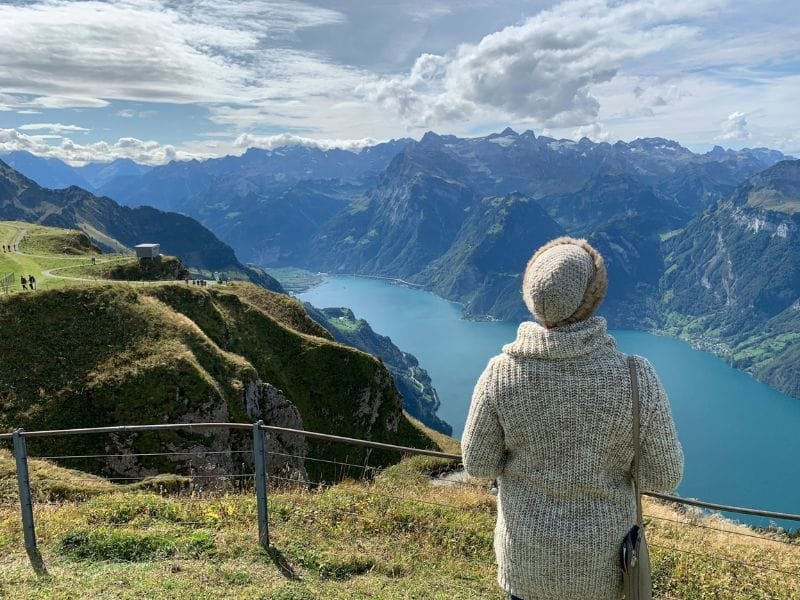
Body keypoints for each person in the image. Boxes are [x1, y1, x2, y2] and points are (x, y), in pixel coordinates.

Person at [462, 236, 684, 600]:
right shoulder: (635, 376)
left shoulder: (500, 374)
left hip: (526, 563)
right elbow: (663, 477)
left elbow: (479, 465)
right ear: (594, 297)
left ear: (529, 295)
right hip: (603, 569)